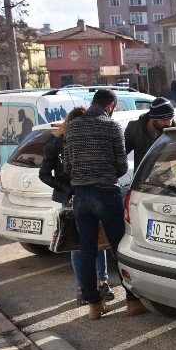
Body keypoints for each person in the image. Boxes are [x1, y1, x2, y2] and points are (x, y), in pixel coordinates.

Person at [63, 88, 148, 320]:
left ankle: (94, 305)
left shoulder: (73, 126)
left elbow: (67, 166)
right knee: (119, 247)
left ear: (93, 103)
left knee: (87, 250)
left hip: (81, 196)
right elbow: (121, 165)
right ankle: (132, 301)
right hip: (106, 194)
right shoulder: (111, 126)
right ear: (111, 105)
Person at [39, 107, 114, 306]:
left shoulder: (89, 142)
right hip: (70, 197)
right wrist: (67, 188)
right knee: (77, 245)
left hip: (90, 193)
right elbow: (44, 175)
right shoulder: (55, 145)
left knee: (98, 241)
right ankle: (82, 287)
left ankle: (103, 282)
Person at [124, 97, 175, 167]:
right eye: (164, 120)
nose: (169, 123)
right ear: (152, 119)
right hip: (142, 176)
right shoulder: (135, 128)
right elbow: (121, 152)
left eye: (170, 118)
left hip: (167, 176)